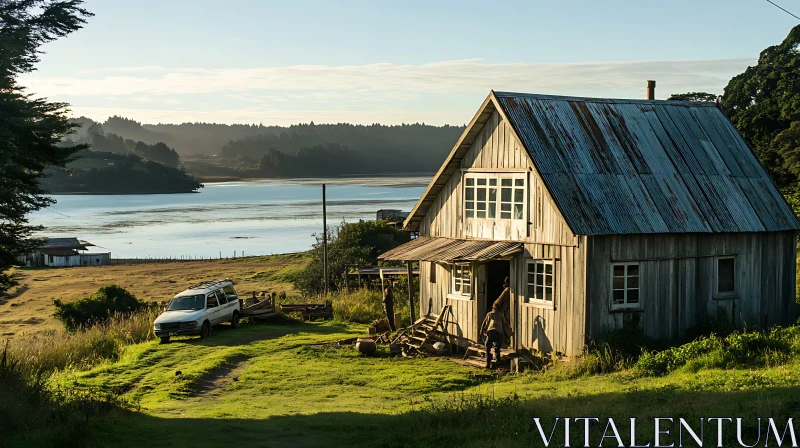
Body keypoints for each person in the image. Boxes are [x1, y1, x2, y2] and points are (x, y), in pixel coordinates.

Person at [479, 302, 513, 369]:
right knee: (497, 347)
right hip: (498, 332)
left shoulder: (489, 314)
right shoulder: (501, 315)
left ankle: (488, 363)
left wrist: (482, 331)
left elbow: (484, 323)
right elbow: (505, 325)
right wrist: (510, 333)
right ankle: (497, 361)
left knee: (488, 348)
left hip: (490, 332)